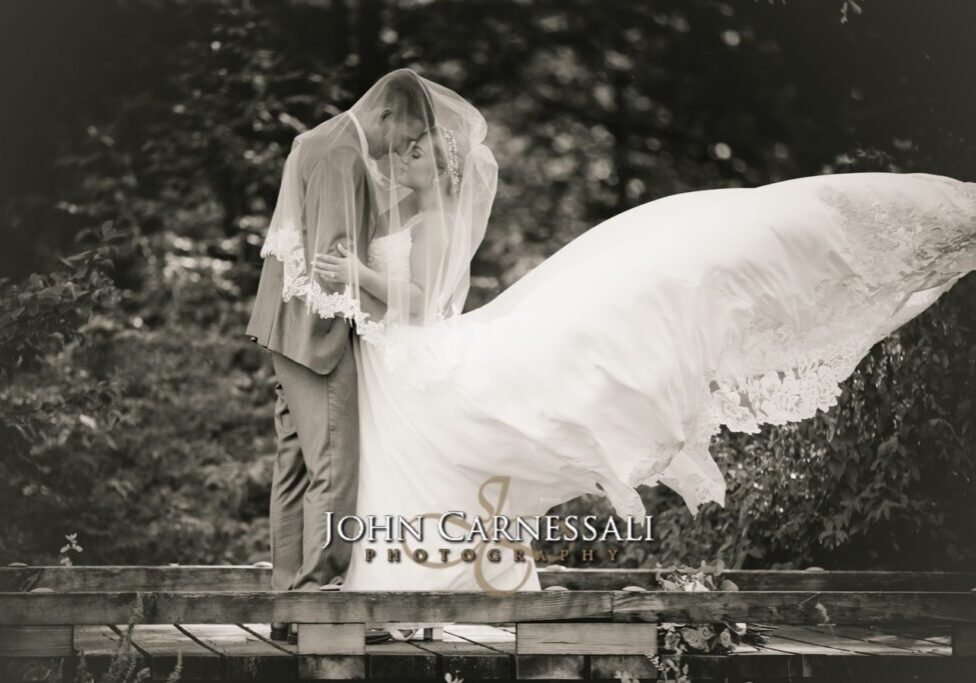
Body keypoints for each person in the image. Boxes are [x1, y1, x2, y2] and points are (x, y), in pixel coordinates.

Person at [257, 69, 976, 636]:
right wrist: (353, 277)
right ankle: (363, 588)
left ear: (434, 162)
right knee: (366, 468)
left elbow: (414, 299)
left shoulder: (436, 217)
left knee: (364, 465)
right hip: (388, 358)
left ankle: (372, 590)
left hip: (407, 352)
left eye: (416, 149)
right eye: (407, 146)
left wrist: (354, 276)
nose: (403, 157)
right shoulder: (399, 202)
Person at [246, 69, 433, 643]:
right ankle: (319, 606)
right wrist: (374, 329)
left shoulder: (319, 140)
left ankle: (287, 606)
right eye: (408, 132)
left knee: (297, 470)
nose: (406, 145)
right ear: (385, 114)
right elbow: (329, 263)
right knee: (335, 469)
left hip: (286, 329)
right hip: (316, 336)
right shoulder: (343, 154)